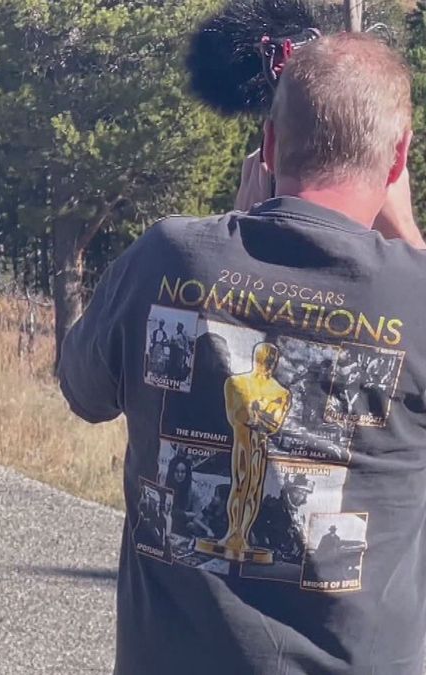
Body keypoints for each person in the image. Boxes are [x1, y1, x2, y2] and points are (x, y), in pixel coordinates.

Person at [58, 33, 426, 674]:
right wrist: (411, 238)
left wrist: (231, 240)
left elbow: (82, 389)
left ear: (271, 144)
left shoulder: (164, 259)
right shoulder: (417, 296)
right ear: (398, 160)